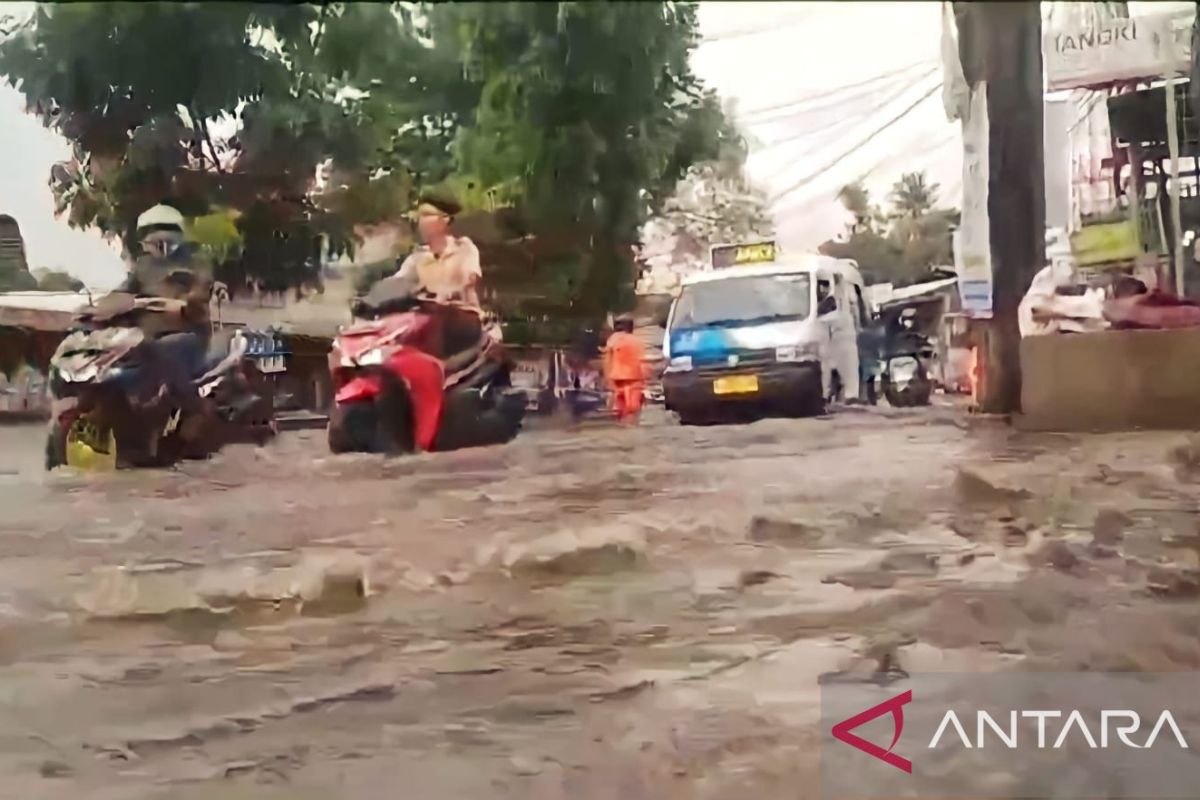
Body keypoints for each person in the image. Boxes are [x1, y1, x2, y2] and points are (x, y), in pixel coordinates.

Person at [105, 204, 215, 424]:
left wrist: (186, 303)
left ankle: (193, 410)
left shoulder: (196, 262)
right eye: (150, 230)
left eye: (164, 228)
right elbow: (123, 290)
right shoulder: (144, 266)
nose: (157, 235)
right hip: (146, 336)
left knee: (169, 351)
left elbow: (203, 289)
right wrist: (101, 307)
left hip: (188, 332)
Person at [393, 194, 483, 309]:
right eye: (419, 216)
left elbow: (468, 280)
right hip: (430, 318)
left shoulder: (464, 249)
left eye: (426, 215)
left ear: (445, 219)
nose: (420, 222)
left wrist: (434, 292)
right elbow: (396, 282)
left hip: (464, 316)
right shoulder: (418, 257)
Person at [603, 316, 646, 425]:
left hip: (617, 378)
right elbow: (643, 362)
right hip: (635, 378)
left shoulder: (613, 340)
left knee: (621, 410)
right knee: (633, 410)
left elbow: (607, 361)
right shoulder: (637, 341)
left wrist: (607, 379)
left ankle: (624, 427)